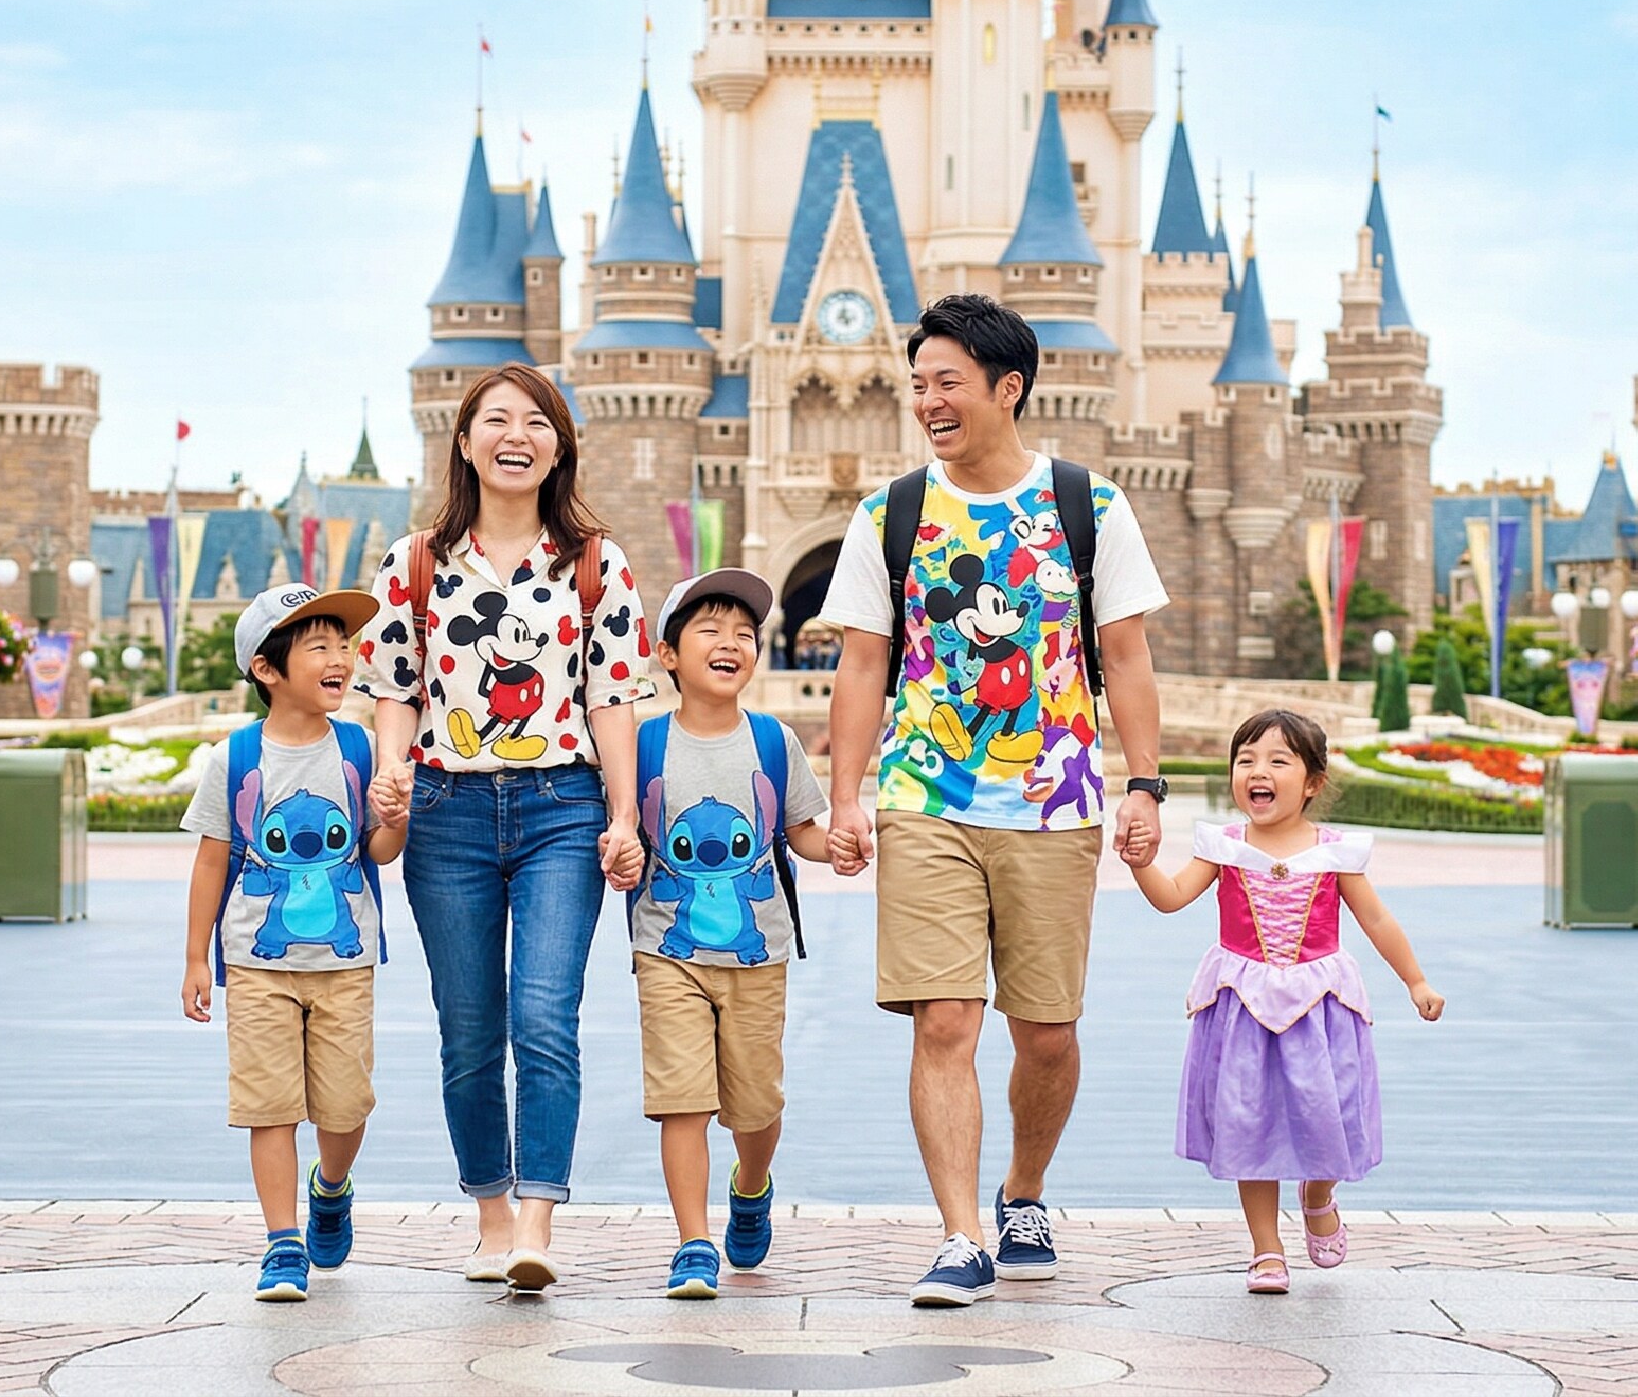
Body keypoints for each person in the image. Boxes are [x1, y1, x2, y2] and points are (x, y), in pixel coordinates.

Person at [818, 293, 1169, 1307]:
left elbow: (1126, 656)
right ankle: (962, 1234)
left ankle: (1023, 1191)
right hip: (923, 795)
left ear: (1005, 388)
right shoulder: (888, 513)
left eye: (946, 383)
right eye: (917, 383)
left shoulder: (1086, 506)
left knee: (1046, 1033)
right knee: (943, 1023)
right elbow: (862, 662)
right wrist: (848, 797)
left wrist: (1142, 784)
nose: (927, 401)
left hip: (1054, 803)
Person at [355, 363, 655, 1293]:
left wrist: (621, 814)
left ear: (560, 444)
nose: (515, 435)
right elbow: (396, 691)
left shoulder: (597, 564)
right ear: (463, 440)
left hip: (560, 808)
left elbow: (613, 701)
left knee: (543, 1018)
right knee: (469, 1029)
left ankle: (536, 1225)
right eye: (495, 419)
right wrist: (394, 771)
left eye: (535, 421)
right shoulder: (413, 563)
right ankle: (489, 1216)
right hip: (446, 813)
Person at [1127, 710, 1443, 1294]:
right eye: (1245, 760)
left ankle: (1319, 1192)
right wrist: (1143, 865)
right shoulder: (1222, 847)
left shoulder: (1334, 854)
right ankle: (1266, 1248)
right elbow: (1171, 898)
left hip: (1320, 1008)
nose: (1257, 771)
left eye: (1277, 760)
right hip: (1243, 1007)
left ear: (1313, 781)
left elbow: (1375, 919)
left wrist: (1415, 981)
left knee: (1331, 1116)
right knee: (1249, 1123)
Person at [601, 568, 832, 1299]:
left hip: (759, 953)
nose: (730, 643)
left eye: (744, 634)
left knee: (756, 1105)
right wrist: (620, 850)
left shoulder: (773, 741)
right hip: (664, 950)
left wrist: (846, 844)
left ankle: (752, 1182)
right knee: (682, 1098)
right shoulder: (639, 746)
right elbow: (617, 833)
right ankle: (692, 1242)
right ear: (666, 655)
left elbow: (801, 833)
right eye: (709, 630)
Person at [177, 583, 404, 1303]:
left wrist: (394, 816)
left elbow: (380, 850)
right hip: (256, 962)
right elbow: (212, 859)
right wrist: (194, 960)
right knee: (269, 1105)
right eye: (319, 647)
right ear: (267, 670)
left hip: (344, 961)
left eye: (343, 645)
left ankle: (329, 1188)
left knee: (345, 1107)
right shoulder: (235, 757)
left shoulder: (359, 748)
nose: (341, 658)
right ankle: (281, 1244)